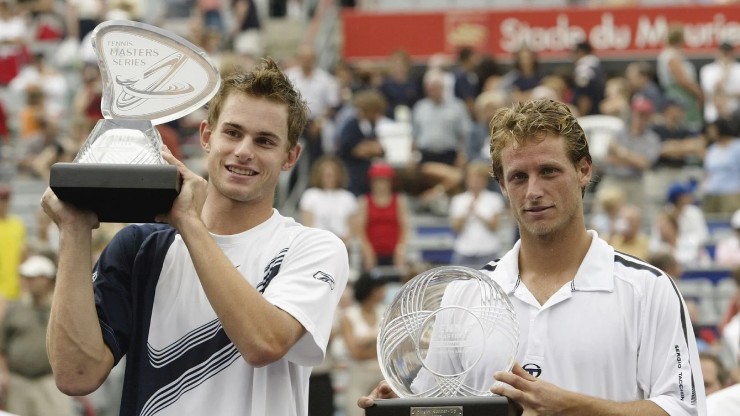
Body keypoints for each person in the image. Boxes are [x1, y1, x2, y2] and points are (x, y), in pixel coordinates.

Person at [40, 58, 350, 416]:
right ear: (206, 135)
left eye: (265, 141)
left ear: (290, 157)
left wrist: (188, 221)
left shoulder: (311, 248)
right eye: (233, 133)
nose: (244, 150)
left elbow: (264, 343)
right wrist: (74, 232)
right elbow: (75, 376)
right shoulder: (141, 248)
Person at [359, 99, 706, 415]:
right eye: (518, 177)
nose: (534, 192)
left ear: (583, 170)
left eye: (549, 171)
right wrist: (400, 409)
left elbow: (683, 411)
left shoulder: (648, 290)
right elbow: (437, 408)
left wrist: (572, 407)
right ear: (502, 186)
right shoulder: (465, 295)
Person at [0, 255, 75, 416]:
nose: (27, 282)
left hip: (51, 381)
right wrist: (3, 373)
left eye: (32, 278)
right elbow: (2, 346)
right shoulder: (15, 308)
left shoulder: (62, 309)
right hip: (18, 382)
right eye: (26, 277)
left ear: (46, 279)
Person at [340, 272, 388, 416]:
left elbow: (391, 351)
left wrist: (364, 342)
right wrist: (378, 341)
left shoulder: (385, 312)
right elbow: (354, 352)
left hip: (382, 377)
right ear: (370, 290)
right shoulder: (348, 315)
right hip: (358, 376)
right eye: (379, 288)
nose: (383, 291)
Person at [449, 161, 506, 268]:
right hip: (464, 250)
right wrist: (467, 212)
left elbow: (494, 226)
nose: (476, 181)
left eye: (479, 178)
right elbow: (456, 228)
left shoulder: (494, 199)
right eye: (473, 178)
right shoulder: (458, 200)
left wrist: (478, 212)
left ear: (485, 181)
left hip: (488, 250)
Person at [299, 155, 358, 246]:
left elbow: (352, 228)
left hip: (342, 244)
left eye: (332, 174)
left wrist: (343, 243)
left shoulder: (348, 197)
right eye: (325, 174)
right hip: (317, 243)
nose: (329, 177)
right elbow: (308, 224)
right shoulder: (310, 195)